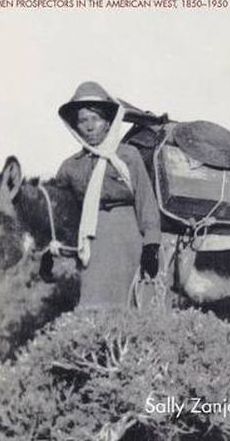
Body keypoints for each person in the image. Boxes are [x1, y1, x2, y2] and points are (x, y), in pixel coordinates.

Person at [56, 81, 161, 308]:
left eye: (96, 119)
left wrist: (151, 245)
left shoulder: (128, 156)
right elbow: (60, 213)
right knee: (93, 305)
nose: (90, 127)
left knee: (131, 303)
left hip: (127, 237)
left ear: (107, 123)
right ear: (75, 126)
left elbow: (146, 202)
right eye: (83, 120)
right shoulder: (70, 167)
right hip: (91, 243)